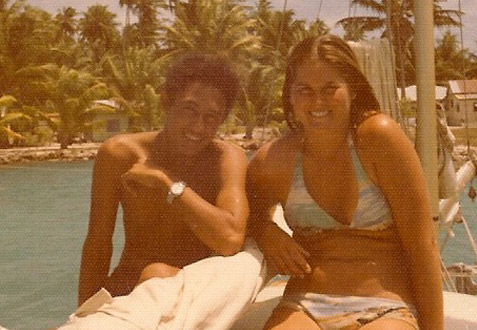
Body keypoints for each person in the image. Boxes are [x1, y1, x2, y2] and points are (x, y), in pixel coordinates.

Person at [246, 34, 443, 330]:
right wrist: (263, 229)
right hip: (303, 305)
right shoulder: (273, 160)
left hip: (386, 308)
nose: (317, 101)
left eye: (330, 88)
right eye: (304, 90)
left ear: (352, 89)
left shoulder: (379, 139)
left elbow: (423, 246)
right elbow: (237, 211)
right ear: (290, 94)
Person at [78, 52, 249, 306]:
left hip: (195, 290)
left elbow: (230, 239)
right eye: (189, 110)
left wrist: (167, 183)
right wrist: (84, 312)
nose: (198, 127)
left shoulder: (226, 158)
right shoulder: (119, 155)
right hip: (130, 284)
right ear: (166, 103)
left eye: (211, 117)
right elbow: (99, 243)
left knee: (157, 273)